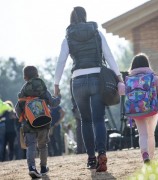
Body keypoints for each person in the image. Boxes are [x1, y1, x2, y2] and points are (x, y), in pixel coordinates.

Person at [54, 6, 123, 172]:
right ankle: (101, 154)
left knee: (85, 121)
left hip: (77, 82)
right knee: (99, 119)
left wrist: (56, 84)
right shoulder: (96, 33)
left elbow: (61, 61)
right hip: (96, 80)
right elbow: (109, 55)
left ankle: (91, 159)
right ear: (85, 17)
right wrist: (119, 76)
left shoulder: (68, 37)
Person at [122, 53, 158, 164]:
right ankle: (151, 158)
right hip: (151, 110)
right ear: (147, 64)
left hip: (136, 111)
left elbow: (124, 94)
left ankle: (144, 154)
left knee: (142, 134)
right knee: (151, 134)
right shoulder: (153, 77)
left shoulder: (129, 79)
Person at [15, 66, 61, 178]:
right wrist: (59, 96)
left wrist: (23, 118)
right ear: (38, 75)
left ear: (25, 77)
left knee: (31, 145)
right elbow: (54, 103)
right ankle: (44, 168)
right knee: (43, 146)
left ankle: (32, 168)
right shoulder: (43, 89)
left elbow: (17, 108)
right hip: (44, 122)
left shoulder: (23, 90)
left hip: (29, 124)